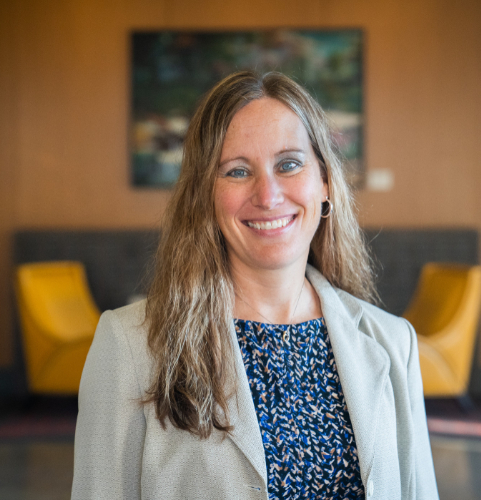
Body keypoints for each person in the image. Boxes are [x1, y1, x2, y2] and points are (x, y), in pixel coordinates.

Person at [71, 71, 439, 500]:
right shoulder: (130, 348)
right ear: (204, 196)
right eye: (237, 171)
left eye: (289, 164)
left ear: (324, 181)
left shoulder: (394, 343)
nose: (267, 195)